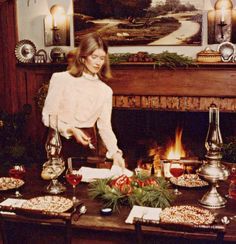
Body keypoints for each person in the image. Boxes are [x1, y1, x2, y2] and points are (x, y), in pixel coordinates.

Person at [42, 33, 125, 169]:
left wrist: (116, 153)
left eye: (102, 58)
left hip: (87, 147)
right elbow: (47, 116)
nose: (98, 62)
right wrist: (70, 129)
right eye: (94, 57)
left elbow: (105, 127)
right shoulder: (61, 79)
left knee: (85, 189)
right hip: (57, 144)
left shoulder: (105, 91)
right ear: (82, 57)